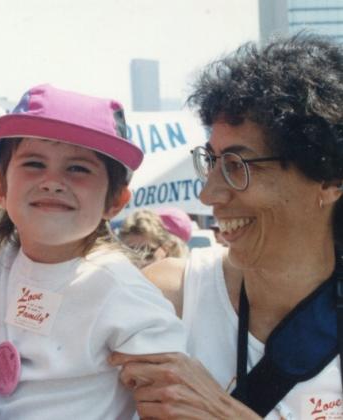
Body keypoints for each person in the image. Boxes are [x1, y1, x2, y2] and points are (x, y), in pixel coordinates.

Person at [111, 33, 343, 419]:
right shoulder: (168, 295)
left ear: (329, 180)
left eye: (237, 166)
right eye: (212, 161)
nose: (209, 193)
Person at [0, 84, 187, 419]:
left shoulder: (121, 290)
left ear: (115, 201)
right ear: (0, 188)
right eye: (33, 163)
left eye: (78, 168)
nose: (53, 181)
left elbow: (175, 393)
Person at [118, 209, 188, 267]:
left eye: (148, 254)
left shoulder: (181, 281)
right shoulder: (116, 279)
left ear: (165, 250)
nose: (140, 262)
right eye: (131, 253)